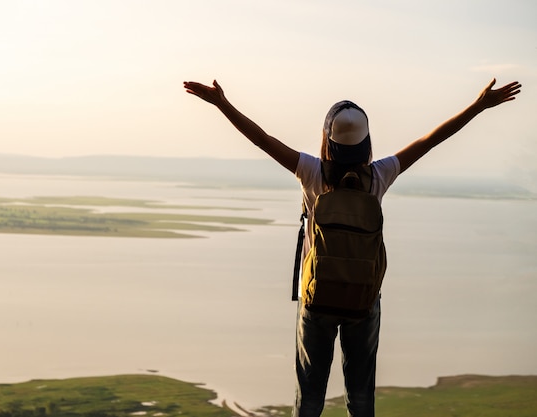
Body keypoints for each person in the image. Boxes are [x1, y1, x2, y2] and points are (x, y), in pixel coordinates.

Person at [183, 78, 521, 417]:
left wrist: (223, 104)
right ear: (367, 142)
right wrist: (478, 106)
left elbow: (262, 140)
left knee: (310, 397)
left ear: (327, 139)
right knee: (360, 396)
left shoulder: (311, 172)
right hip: (363, 298)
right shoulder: (379, 175)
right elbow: (429, 141)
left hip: (317, 298)